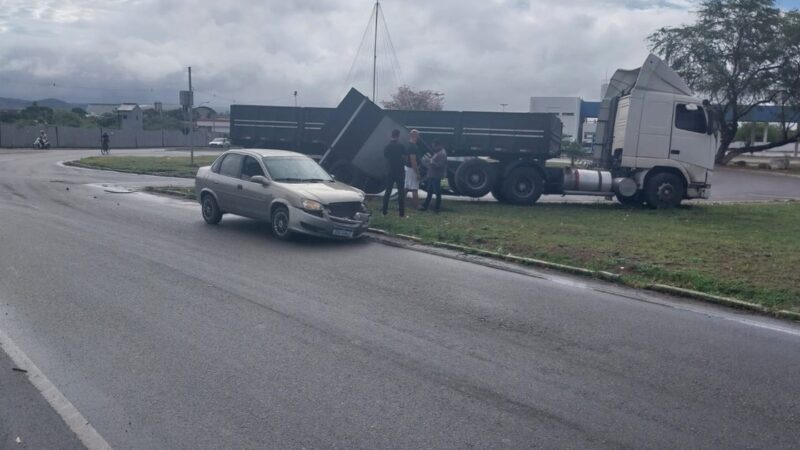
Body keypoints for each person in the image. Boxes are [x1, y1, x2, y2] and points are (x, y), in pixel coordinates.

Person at [381, 129, 407, 217]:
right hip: (400, 171)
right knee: (401, 192)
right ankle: (401, 213)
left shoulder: (388, 146)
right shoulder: (401, 146)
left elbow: (386, 156)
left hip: (390, 171)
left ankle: (384, 211)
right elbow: (404, 158)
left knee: (388, 191)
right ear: (398, 136)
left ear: (391, 135)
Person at [420, 139, 447, 213]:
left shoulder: (442, 154)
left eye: (434, 146)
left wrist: (432, 162)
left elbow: (440, 165)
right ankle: (425, 206)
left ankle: (437, 208)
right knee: (430, 191)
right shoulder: (438, 152)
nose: (433, 147)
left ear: (438, 145)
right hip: (432, 175)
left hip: (436, 176)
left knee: (437, 192)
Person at [404, 130, 423, 210]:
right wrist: (417, 173)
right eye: (418, 135)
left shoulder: (408, 145)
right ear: (414, 135)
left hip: (408, 168)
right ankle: (418, 205)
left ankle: (400, 201)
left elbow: (405, 157)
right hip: (412, 169)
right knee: (414, 188)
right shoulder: (413, 147)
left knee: (407, 187)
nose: (419, 137)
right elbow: (413, 161)